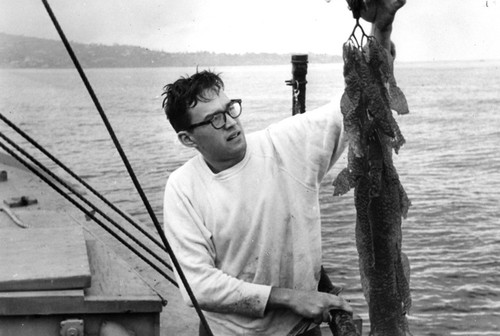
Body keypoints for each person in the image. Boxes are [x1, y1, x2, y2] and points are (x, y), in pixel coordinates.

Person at [161, 1, 405, 335]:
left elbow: (364, 97)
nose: (231, 123)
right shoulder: (182, 187)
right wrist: (291, 298)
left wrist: (382, 28)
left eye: (231, 109)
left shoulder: (285, 146)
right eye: (215, 119)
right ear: (188, 139)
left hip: (301, 332)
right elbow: (197, 285)